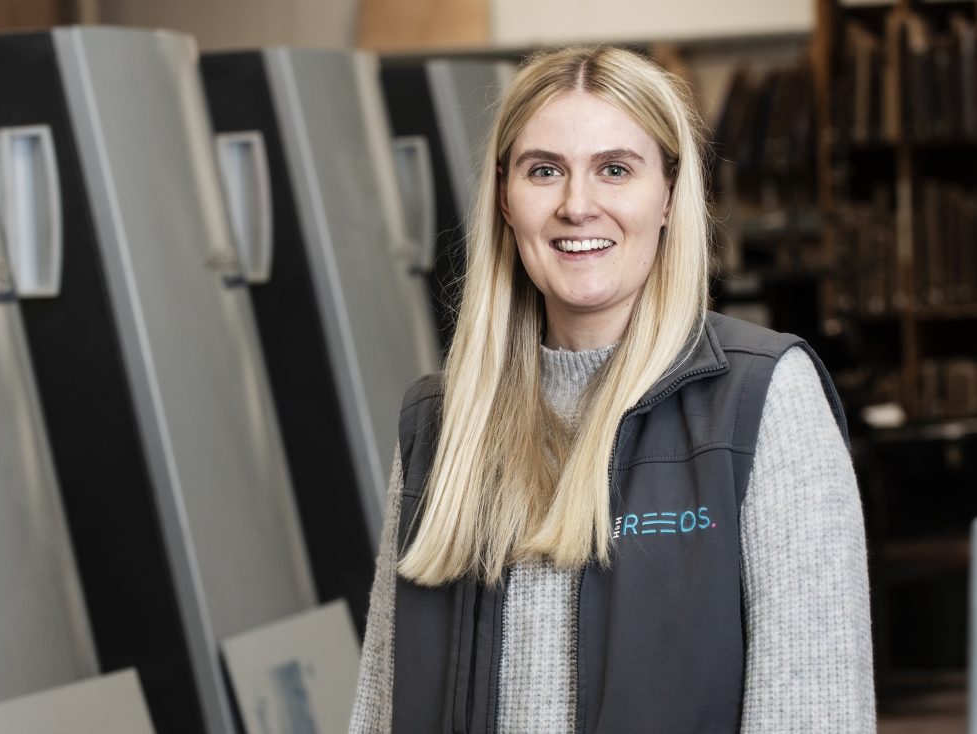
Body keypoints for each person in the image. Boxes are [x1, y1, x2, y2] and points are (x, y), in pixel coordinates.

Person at [351, 45, 874, 733]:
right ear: (506, 199)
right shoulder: (439, 423)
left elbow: (815, 712)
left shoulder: (763, 400)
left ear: (668, 195)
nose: (576, 205)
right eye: (544, 171)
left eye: (615, 170)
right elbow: (379, 707)